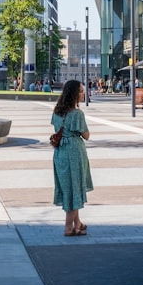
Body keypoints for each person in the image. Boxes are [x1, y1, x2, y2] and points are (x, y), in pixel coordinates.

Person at [50, 79, 93, 237]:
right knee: (75, 189)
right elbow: (86, 135)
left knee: (68, 187)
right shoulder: (77, 114)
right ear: (74, 94)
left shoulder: (56, 111)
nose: (83, 94)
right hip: (74, 153)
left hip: (60, 152)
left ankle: (78, 224)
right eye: (81, 91)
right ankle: (68, 227)